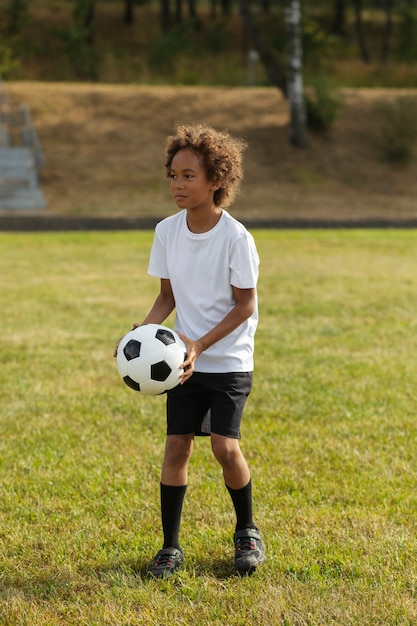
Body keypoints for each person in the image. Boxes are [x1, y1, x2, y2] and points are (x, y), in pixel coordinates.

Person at [120, 123, 265, 579]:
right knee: (176, 447)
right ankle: (170, 547)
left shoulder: (236, 238)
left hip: (227, 360)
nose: (177, 185)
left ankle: (247, 531)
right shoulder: (167, 231)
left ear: (216, 181)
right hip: (181, 361)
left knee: (224, 447)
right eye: (173, 175)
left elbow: (246, 306)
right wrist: (142, 334)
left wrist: (200, 345)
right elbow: (168, 297)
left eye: (188, 176)